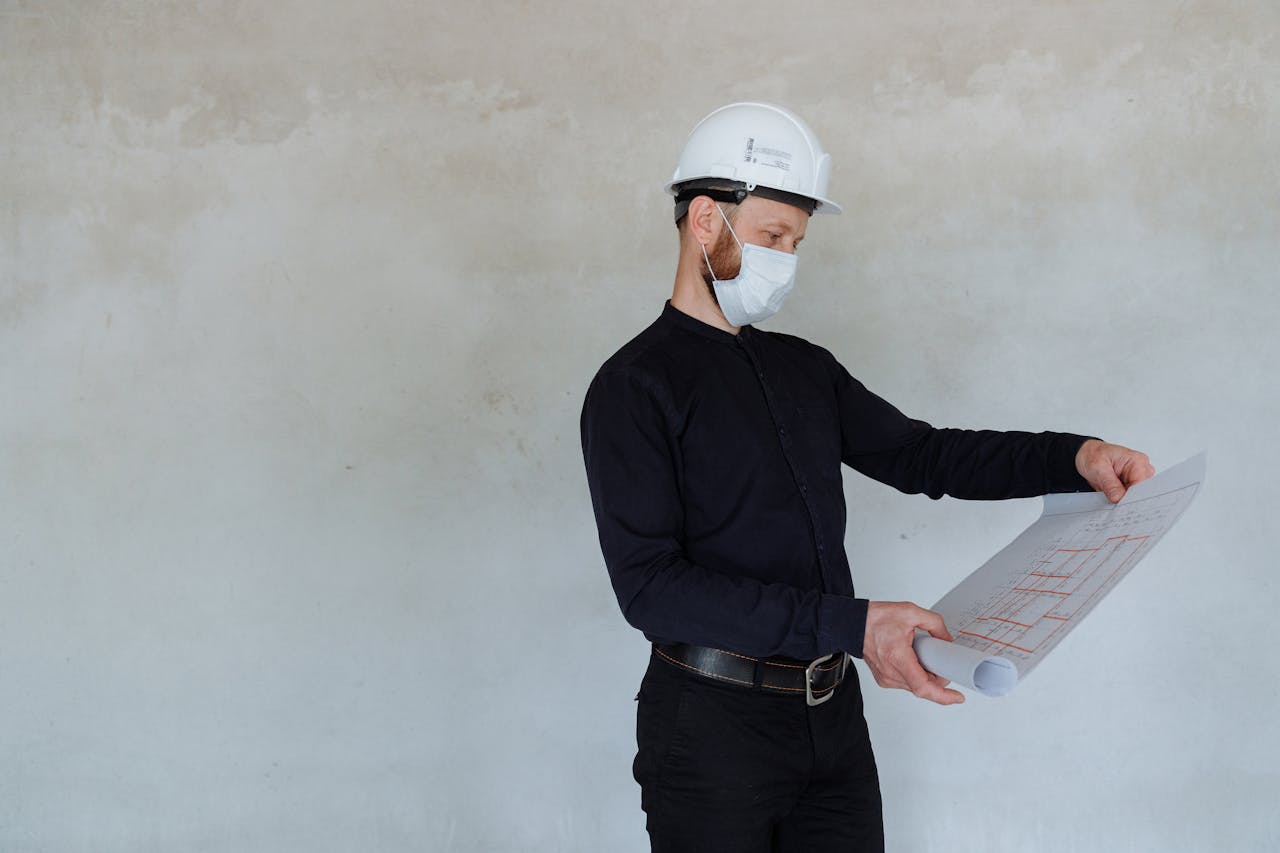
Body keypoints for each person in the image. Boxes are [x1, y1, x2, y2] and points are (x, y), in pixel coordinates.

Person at [579, 102, 1154, 853]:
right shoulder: (635, 385)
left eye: (797, 242)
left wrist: (1071, 455)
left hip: (833, 723)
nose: (786, 258)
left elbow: (926, 455)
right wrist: (854, 624)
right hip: (709, 735)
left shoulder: (804, 369)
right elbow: (651, 586)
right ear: (704, 221)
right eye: (772, 236)